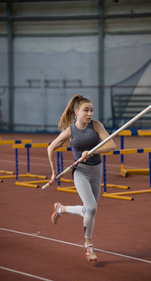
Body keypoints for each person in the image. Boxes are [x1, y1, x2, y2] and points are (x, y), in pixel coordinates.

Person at [47, 94, 116, 261]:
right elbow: (50, 148)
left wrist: (92, 152)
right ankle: (88, 244)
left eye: (92, 110)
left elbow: (111, 145)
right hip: (81, 172)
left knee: (89, 210)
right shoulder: (70, 131)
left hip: (97, 171)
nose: (90, 113)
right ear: (77, 112)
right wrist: (54, 172)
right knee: (91, 208)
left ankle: (61, 209)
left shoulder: (97, 125)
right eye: (86, 110)